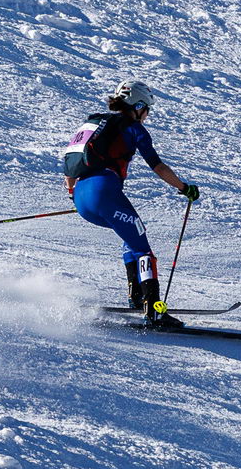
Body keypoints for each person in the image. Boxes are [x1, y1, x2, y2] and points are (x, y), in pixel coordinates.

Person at [63, 80, 201, 329]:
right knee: (143, 248)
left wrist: (76, 194)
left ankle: (137, 298)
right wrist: (184, 188)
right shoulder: (134, 128)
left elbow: (71, 160)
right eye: (146, 109)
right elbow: (158, 166)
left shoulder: (94, 122)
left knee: (131, 238)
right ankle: (154, 311)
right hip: (103, 191)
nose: (147, 115)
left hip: (82, 196)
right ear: (138, 106)